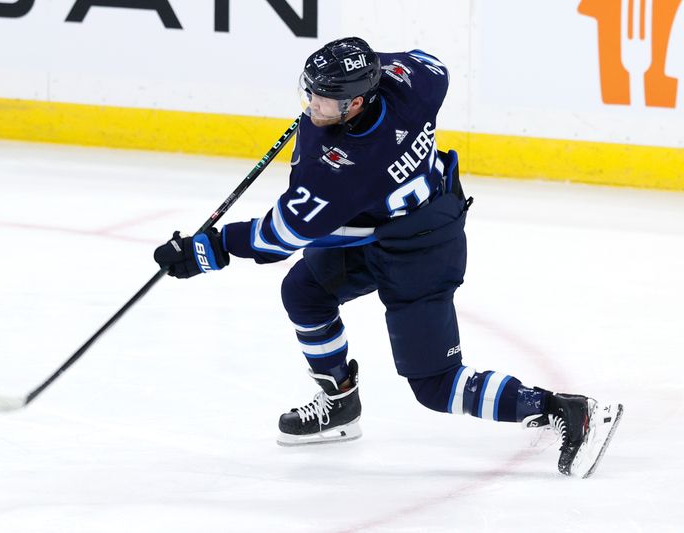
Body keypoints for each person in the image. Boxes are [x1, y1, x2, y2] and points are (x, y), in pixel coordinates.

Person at [154, 37, 623, 477]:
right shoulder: (411, 83)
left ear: (356, 103)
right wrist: (355, 66)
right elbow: (429, 63)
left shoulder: (343, 171)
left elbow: (281, 235)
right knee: (305, 291)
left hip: (423, 248)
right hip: (382, 228)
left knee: (436, 385)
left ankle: (564, 409)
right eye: (311, 93)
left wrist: (208, 249)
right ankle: (340, 404)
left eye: (323, 100)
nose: (310, 106)